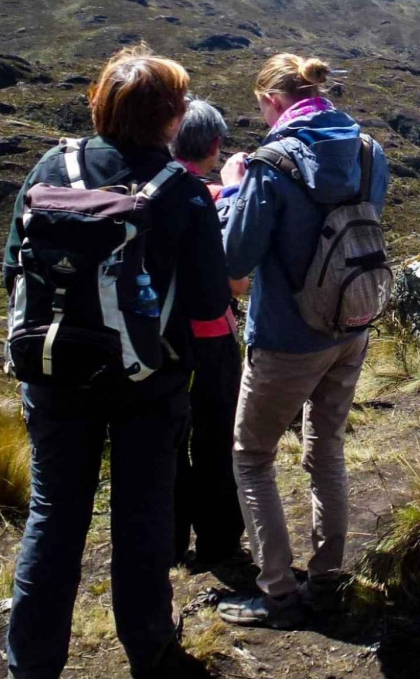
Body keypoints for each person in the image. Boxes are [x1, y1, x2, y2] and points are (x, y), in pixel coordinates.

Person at [4, 47, 230, 679]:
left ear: (100, 104)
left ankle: (32, 663)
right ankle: (150, 649)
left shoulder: (53, 165)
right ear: (170, 118)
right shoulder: (181, 191)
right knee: (142, 517)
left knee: (53, 514)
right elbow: (211, 304)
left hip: (53, 372)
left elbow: (11, 270)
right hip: (149, 386)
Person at [216, 54, 388, 628]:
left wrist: (233, 191)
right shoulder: (368, 151)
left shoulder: (269, 165)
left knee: (253, 456)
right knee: (327, 447)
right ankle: (329, 578)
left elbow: (234, 259)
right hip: (353, 324)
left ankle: (279, 595)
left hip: (287, 338)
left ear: (272, 101)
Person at [168, 99, 248, 569]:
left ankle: (172, 541)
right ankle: (219, 542)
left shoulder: (146, 188)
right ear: (215, 145)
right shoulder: (213, 196)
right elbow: (235, 278)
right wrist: (236, 191)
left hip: (157, 337)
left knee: (171, 439)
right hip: (213, 335)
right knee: (217, 439)